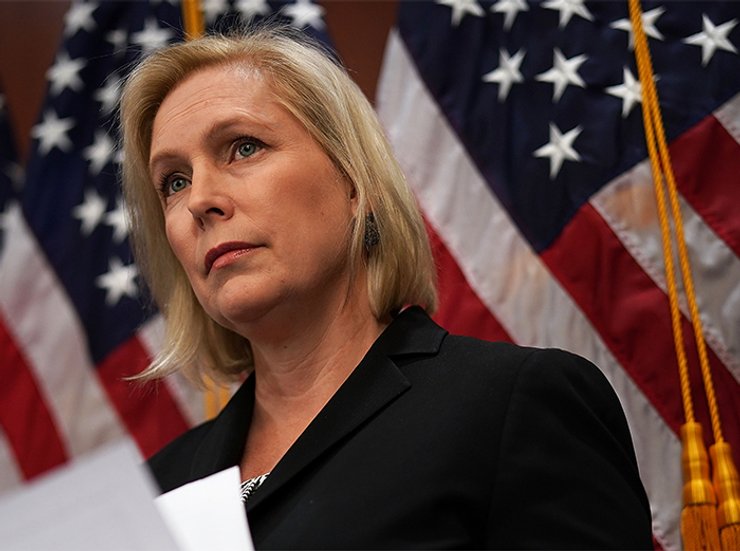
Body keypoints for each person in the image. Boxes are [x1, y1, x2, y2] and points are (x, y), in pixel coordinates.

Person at [120, 24, 654, 549]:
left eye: (243, 148)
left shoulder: (514, 406)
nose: (199, 200)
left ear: (356, 182)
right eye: (175, 181)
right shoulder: (152, 495)